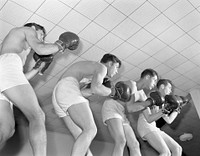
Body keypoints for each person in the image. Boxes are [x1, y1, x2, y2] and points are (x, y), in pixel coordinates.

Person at [0, 22, 79, 156]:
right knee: (37, 116)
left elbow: (19, 78)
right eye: (41, 35)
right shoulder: (26, 30)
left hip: (5, 75)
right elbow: (41, 49)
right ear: (33, 28)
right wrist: (61, 44)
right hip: (7, 68)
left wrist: (37, 68)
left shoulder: (13, 47)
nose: (41, 39)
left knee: (7, 130)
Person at [52, 53, 121, 156]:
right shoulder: (101, 67)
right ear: (110, 63)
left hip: (59, 94)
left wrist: (102, 90)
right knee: (91, 129)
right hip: (67, 87)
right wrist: (113, 92)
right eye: (116, 67)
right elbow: (96, 88)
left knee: (81, 135)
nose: (117, 71)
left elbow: (81, 94)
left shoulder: (90, 74)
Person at [101, 68, 159, 156]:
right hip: (111, 107)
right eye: (154, 80)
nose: (155, 84)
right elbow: (130, 108)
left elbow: (149, 118)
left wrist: (163, 110)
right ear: (147, 77)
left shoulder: (142, 95)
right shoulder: (132, 84)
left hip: (121, 113)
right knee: (121, 141)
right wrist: (149, 102)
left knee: (135, 144)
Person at [137, 79, 183, 156]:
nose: (170, 91)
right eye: (169, 87)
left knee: (177, 148)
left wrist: (176, 110)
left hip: (153, 127)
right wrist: (164, 110)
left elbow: (169, 120)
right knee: (165, 152)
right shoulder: (153, 95)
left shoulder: (162, 103)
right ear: (162, 86)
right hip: (145, 124)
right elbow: (151, 116)